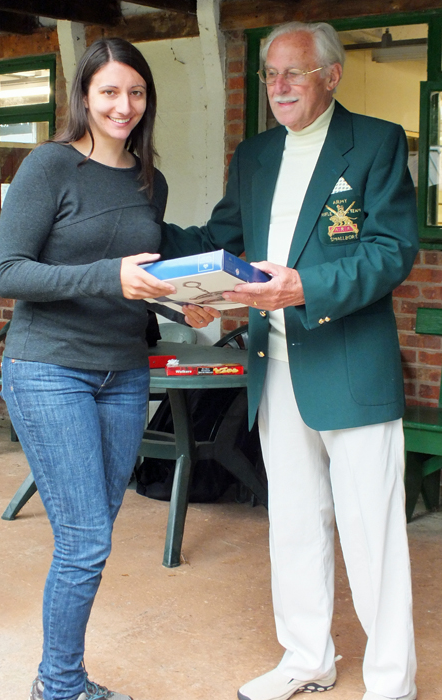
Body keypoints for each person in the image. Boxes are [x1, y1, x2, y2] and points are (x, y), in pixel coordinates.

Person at [160, 21, 419, 700]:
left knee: (372, 536)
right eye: (270, 74)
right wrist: (166, 251)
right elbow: (218, 240)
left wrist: (303, 287)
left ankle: (390, 681)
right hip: (273, 367)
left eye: (292, 73)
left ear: (329, 76)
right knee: (295, 525)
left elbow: (390, 252)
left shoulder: (375, 144)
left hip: (350, 366)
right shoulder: (254, 157)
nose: (277, 87)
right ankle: (306, 659)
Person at [0, 37, 201, 700]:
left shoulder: (150, 182)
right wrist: (109, 275)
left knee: (94, 530)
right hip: (50, 366)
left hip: (122, 372)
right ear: (84, 95)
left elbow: (142, 277)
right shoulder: (47, 167)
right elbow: (9, 272)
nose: (123, 105)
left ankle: (60, 680)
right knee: (85, 540)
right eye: (109, 91)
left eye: (135, 92)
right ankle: (58, 686)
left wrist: (187, 303)